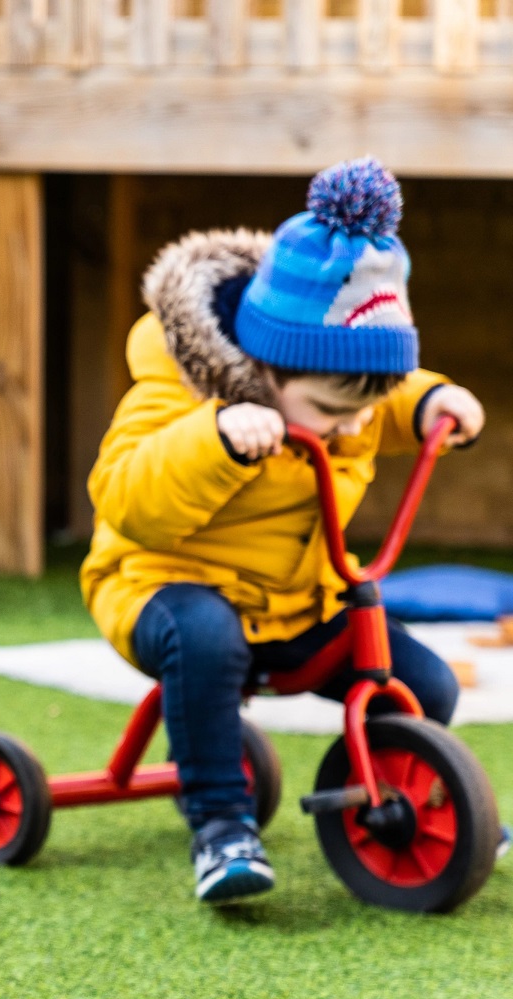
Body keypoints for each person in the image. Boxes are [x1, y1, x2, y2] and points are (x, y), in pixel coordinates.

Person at [82, 157, 486, 904]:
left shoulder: (335, 393)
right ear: (268, 368)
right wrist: (216, 442)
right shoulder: (175, 390)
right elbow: (124, 495)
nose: (355, 427)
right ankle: (220, 826)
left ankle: (412, 793)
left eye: (372, 404)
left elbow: (373, 398)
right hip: (162, 586)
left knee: (418, 680)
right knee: (206, 640)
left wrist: (430, 402)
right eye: (336, 413)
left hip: (297, 600)